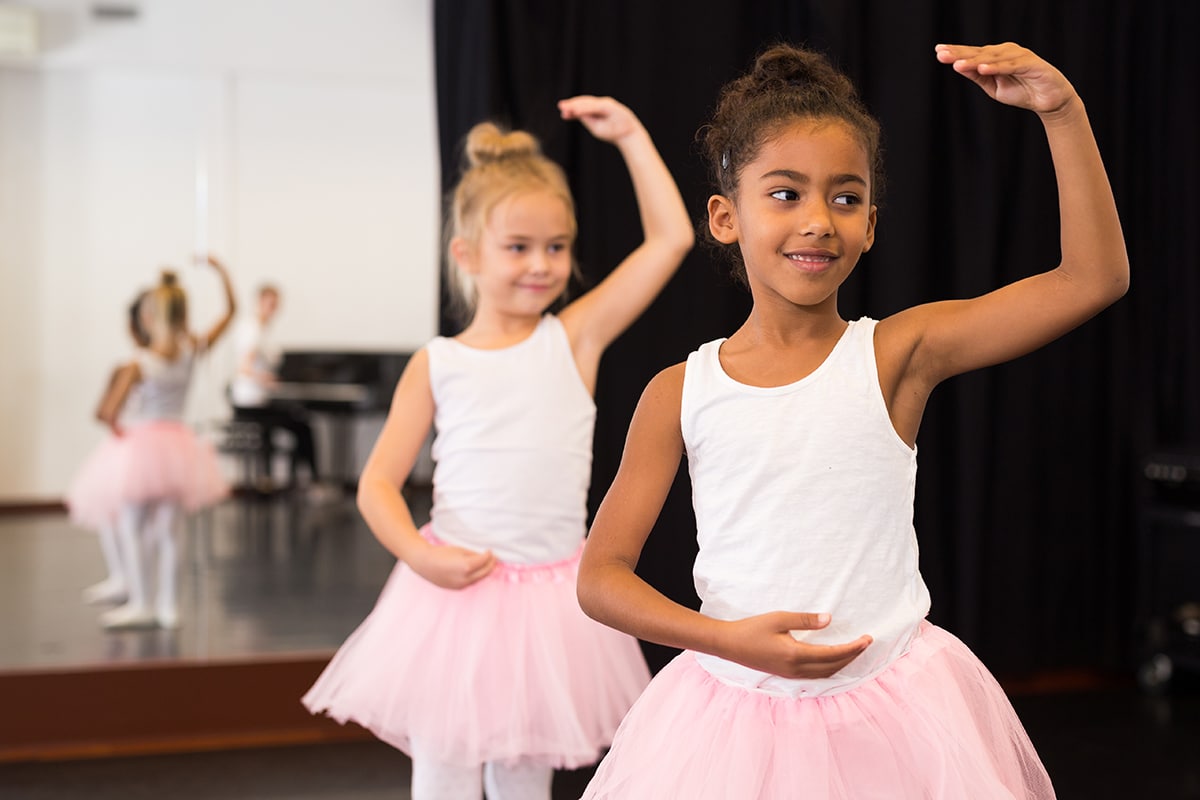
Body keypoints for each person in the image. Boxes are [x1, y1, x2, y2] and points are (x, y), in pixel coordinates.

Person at [576, 42, 1128, 798]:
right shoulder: (679, 391)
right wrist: (726, 639)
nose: (817, 221)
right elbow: (600, 578)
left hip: (895, 712)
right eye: (784, 194)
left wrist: (1062, 112)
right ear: (724, 217)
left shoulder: (899, 354)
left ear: (871, 223)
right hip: (731, 721)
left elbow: (1092, 279)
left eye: (844, 197)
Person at [302, 95, 694, 799]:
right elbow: (378, 485)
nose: (542, 265)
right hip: (456, 598)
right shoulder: (440, 362)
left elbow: (670, 240)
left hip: (549, 607)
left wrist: (633, 134)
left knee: (523, 778)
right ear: (467, 254)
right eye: (518, 248)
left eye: (557, 247)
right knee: (445, 773)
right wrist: (420, 555)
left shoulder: (575, 338)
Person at [67, 256, 238, 629]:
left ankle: (141, 602)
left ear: (147, 318)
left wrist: (119, 425)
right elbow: (231, 312)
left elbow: (107, 413)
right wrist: (220, 271)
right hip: (179, 443)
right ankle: (169, 608)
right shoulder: (193, 351)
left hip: (141, 445)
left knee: (132, 525)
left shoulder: (137, 364)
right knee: (171, 533)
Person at [67, 289, 151, 607]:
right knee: (134, 523)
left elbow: (104, 412)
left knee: (121, 519)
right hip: (144, 449)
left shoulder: (129, 367)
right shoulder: (148, 365)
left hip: (128, 448)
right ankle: (128, 581)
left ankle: (128, 581)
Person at [229, 283, 324, 495]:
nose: (273, 308)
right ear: (259, 302)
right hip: (251, 403)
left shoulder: (261, 330)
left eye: (276, 304)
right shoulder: (252, 330)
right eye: (270, 303)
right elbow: (244, 367)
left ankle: (295, 480)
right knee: (302, 426)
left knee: (298, 422)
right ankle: (310, 482)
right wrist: (265, 379)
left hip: (259, 400)